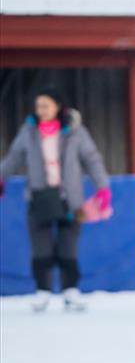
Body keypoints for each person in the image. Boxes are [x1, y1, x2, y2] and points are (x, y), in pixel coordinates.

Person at [0, 89, 110, 312]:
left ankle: (70, 291)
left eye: (46, 106)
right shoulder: (29, 131)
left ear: (58, 106)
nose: (41, 110)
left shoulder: (75, 131)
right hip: (39, 197)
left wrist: (103, 188)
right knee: (41, 247)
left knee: (68, 246)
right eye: (38, 106)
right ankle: (42, 291)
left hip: (71, 199)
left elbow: (92, 158)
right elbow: (14, 156)